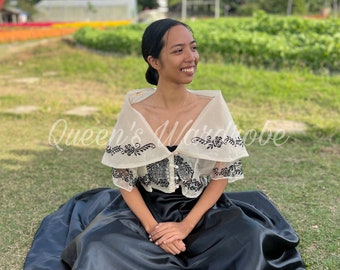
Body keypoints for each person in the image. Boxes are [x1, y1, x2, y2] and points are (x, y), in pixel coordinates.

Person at [24, 18, 305, 269]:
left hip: (203, 209)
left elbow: (220, 176)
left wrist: (184, 226)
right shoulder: (135, 109)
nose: (191, 57)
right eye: (178, 50)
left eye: (193, 47)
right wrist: (155, 229)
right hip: (145, 210)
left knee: (249, 241)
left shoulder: (212, 105)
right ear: (154, 61)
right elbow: (125, 180)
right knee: (99, 247)